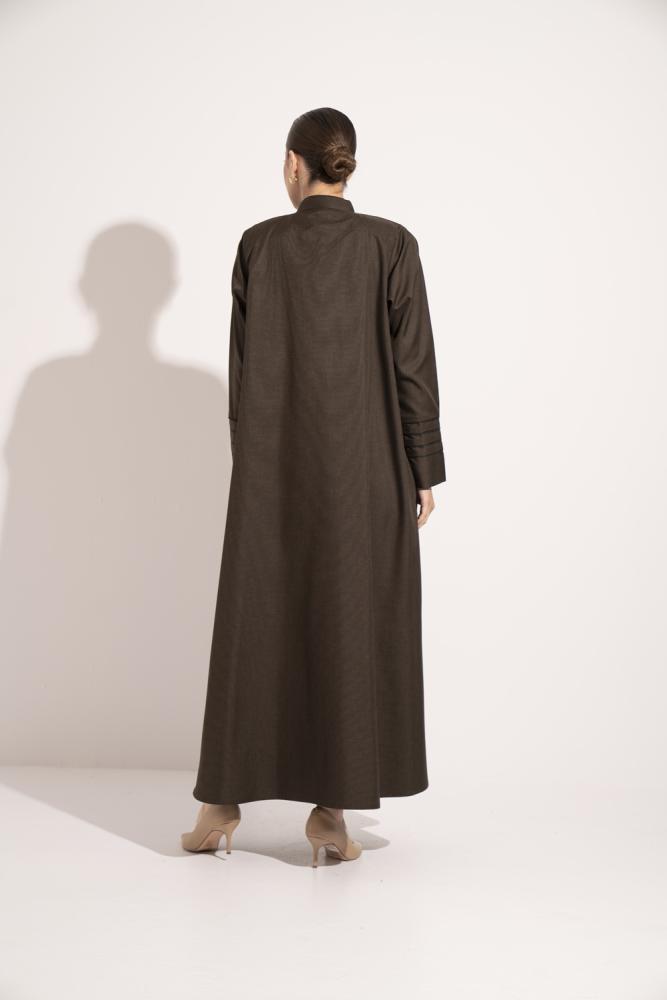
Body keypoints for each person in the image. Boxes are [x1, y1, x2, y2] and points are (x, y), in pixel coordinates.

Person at [181, 107, 446, 867]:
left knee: (256, 622)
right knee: (350, 619)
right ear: (345, 165)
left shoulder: (258, 245)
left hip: (272, 470)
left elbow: (242, 373)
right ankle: (330, 814)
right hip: (367, 471)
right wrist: (423, 468)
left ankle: (219, 803)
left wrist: (253, 466)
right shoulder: (391, 244)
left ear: (294, 164)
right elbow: (413, 365)